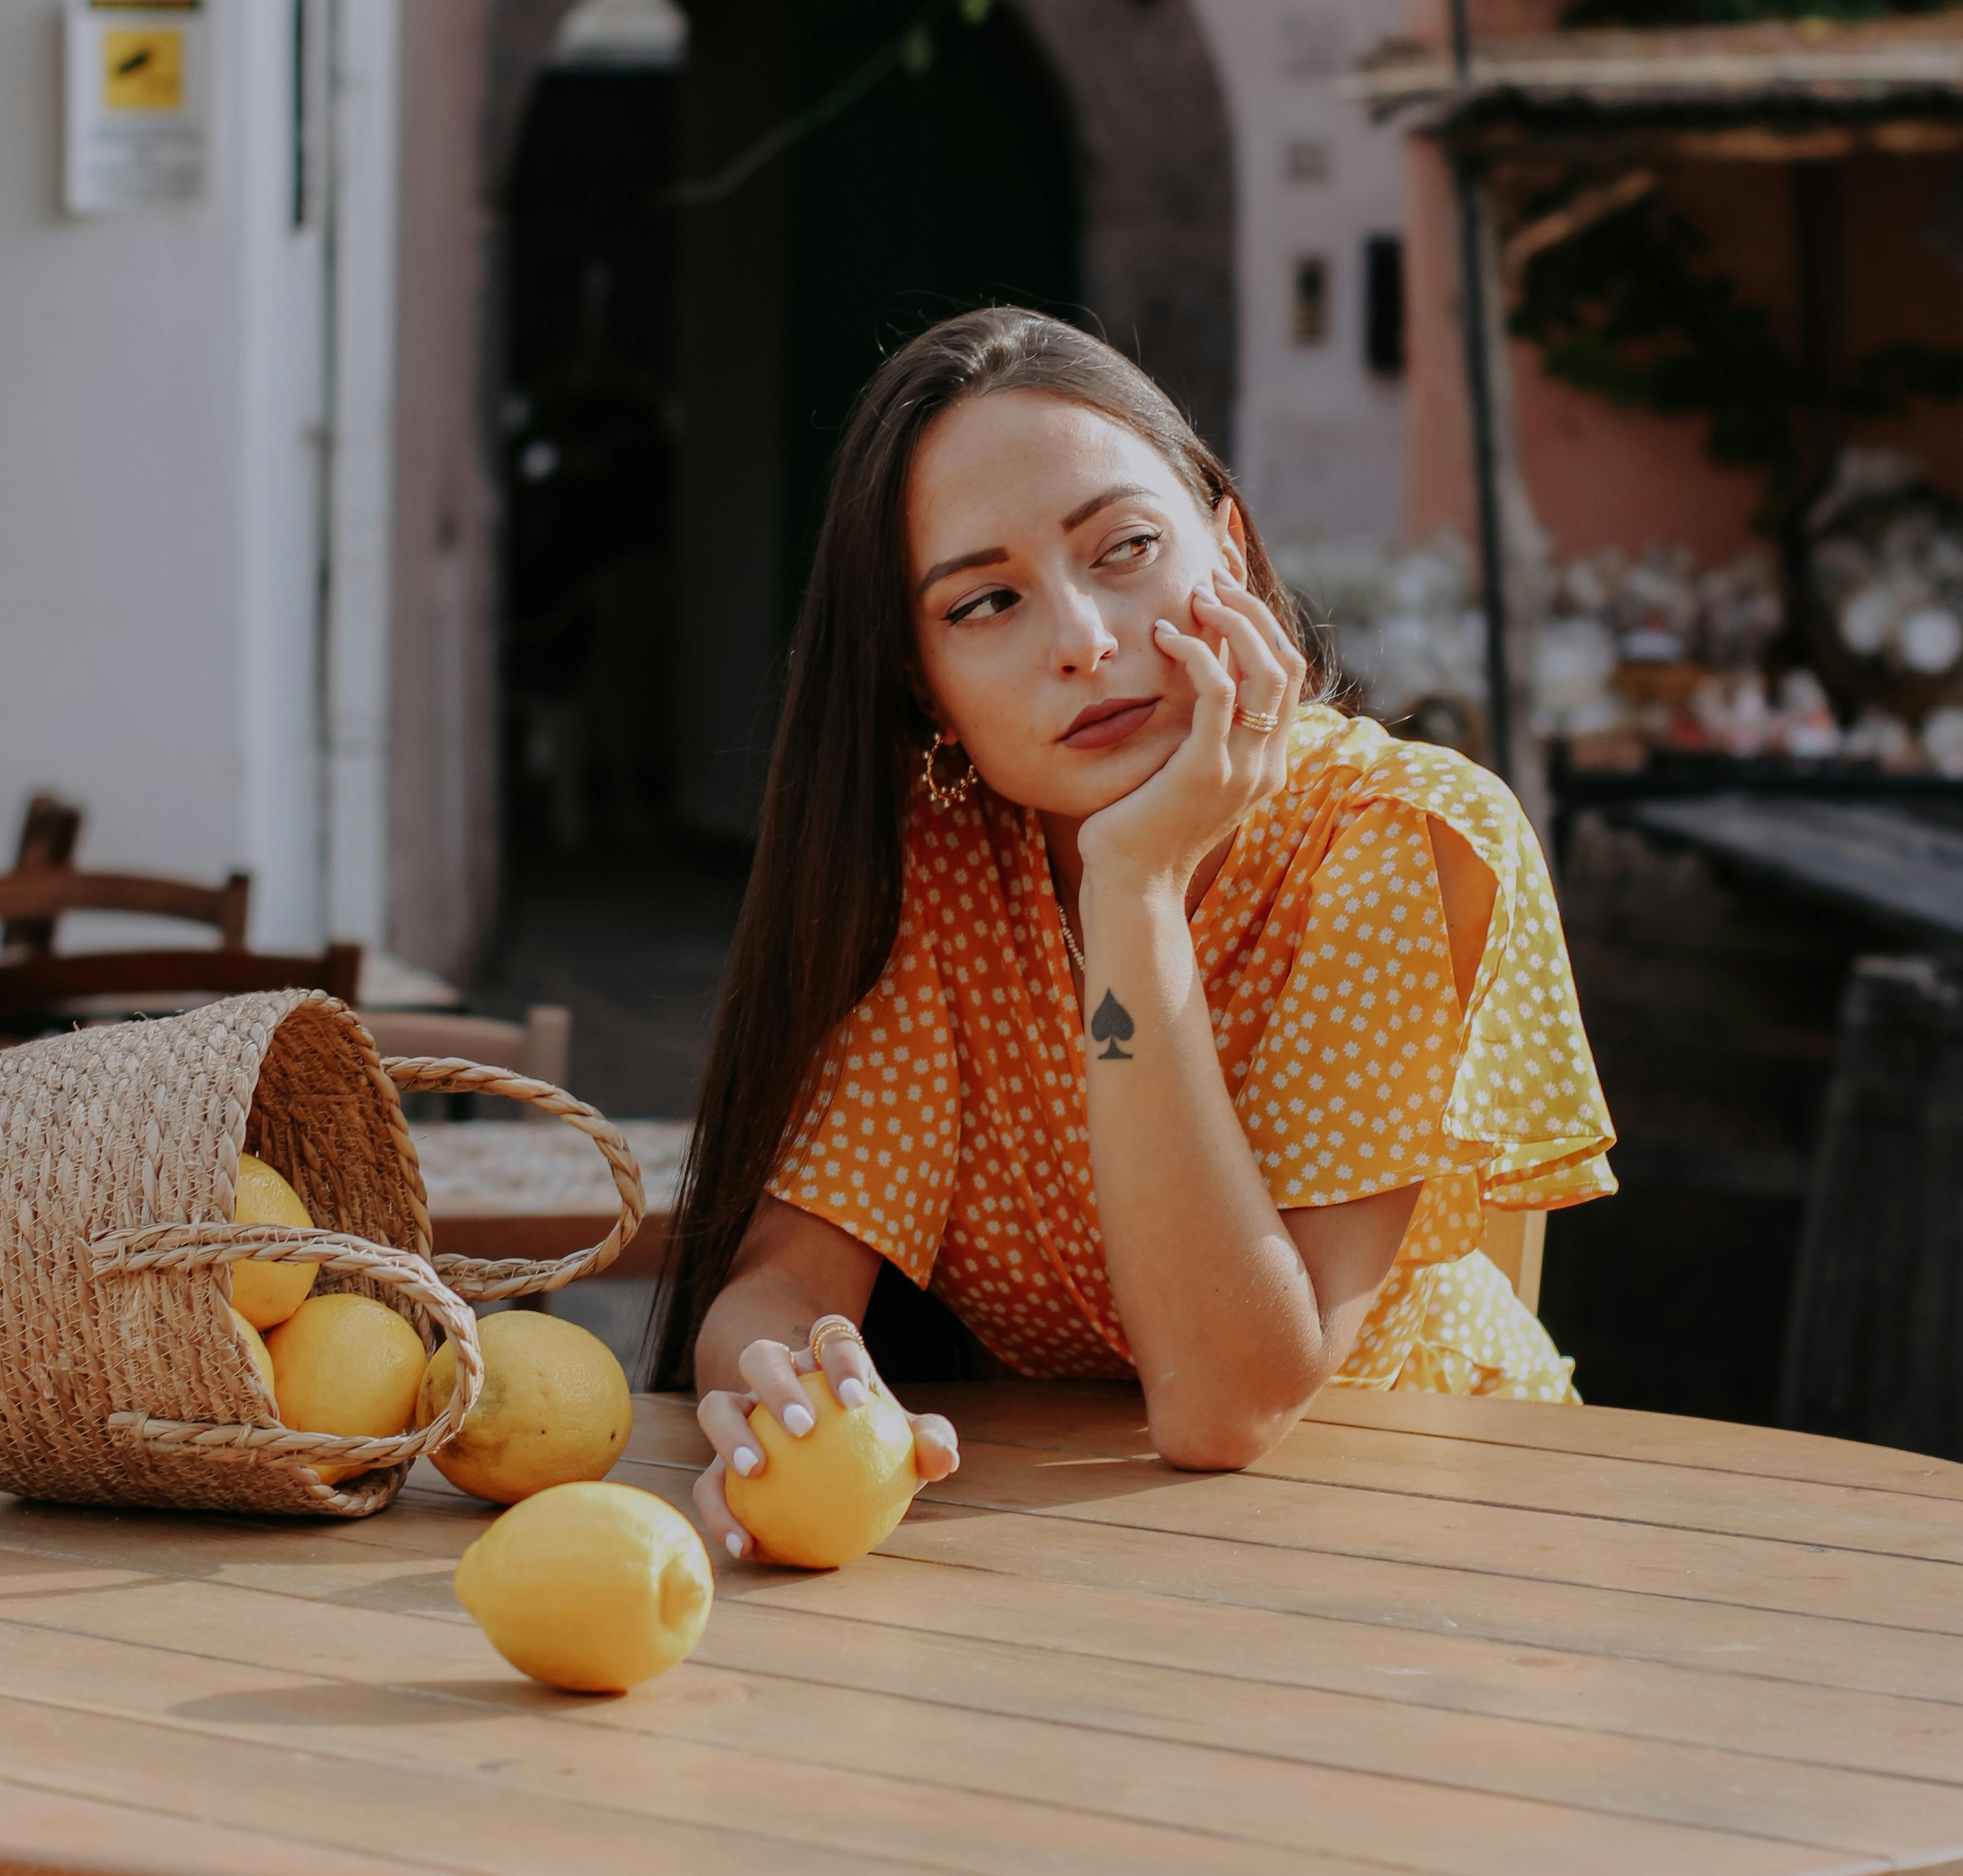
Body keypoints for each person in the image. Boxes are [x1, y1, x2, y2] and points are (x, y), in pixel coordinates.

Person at [650, 308, 1614, 1558]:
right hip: (1069, 1554)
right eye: (987, 601)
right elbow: (786, 1282)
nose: (1085, 640)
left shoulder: (1395, 841)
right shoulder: (943, 858)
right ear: (918, 685)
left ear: (1232, 545)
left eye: (1127, 548)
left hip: (1429, 1548)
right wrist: (787, 1380)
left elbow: (1228, 1404)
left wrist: (1134, 889)